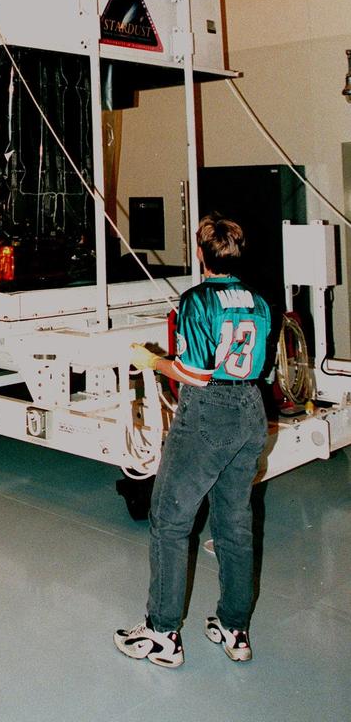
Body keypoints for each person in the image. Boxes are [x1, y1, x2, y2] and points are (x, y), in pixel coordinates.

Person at [114, 214, 271, 669]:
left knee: (169, 519)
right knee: (234, 524)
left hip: (209, 413)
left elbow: (194, 374)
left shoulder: (197, 300)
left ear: (201, 254)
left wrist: (152, 361)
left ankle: (162, 633)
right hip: (250, 412)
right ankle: (234, 628)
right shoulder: (260, 302)